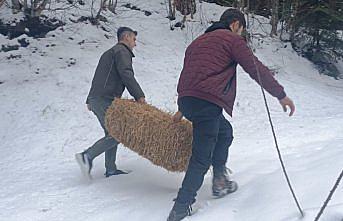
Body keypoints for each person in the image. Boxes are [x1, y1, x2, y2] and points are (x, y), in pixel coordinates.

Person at [167, 8, 295, 221]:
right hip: (207, 103)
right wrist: (280, 94)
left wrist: (183, 108)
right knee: (201, 157)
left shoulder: (197, 43)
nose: (240, 34)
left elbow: (192, 75)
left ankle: (219, 180)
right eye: (241, 30)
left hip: (188, 99)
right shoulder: (231, 40)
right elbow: (255, 68)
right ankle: (181, 207)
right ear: (235, 24)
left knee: (225, 132)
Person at [75, 27, 146, 179]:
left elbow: (99, 77)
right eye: (134, 39)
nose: (135, 44)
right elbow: (126, 74)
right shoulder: (121, 51)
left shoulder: (110, 52)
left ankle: (111, 169)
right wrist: (139, 96)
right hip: (104, 98)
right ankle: (86, 156)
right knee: (118, 133)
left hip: (99, 98)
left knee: (112, 132)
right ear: (126, 37)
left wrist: (90, 98)